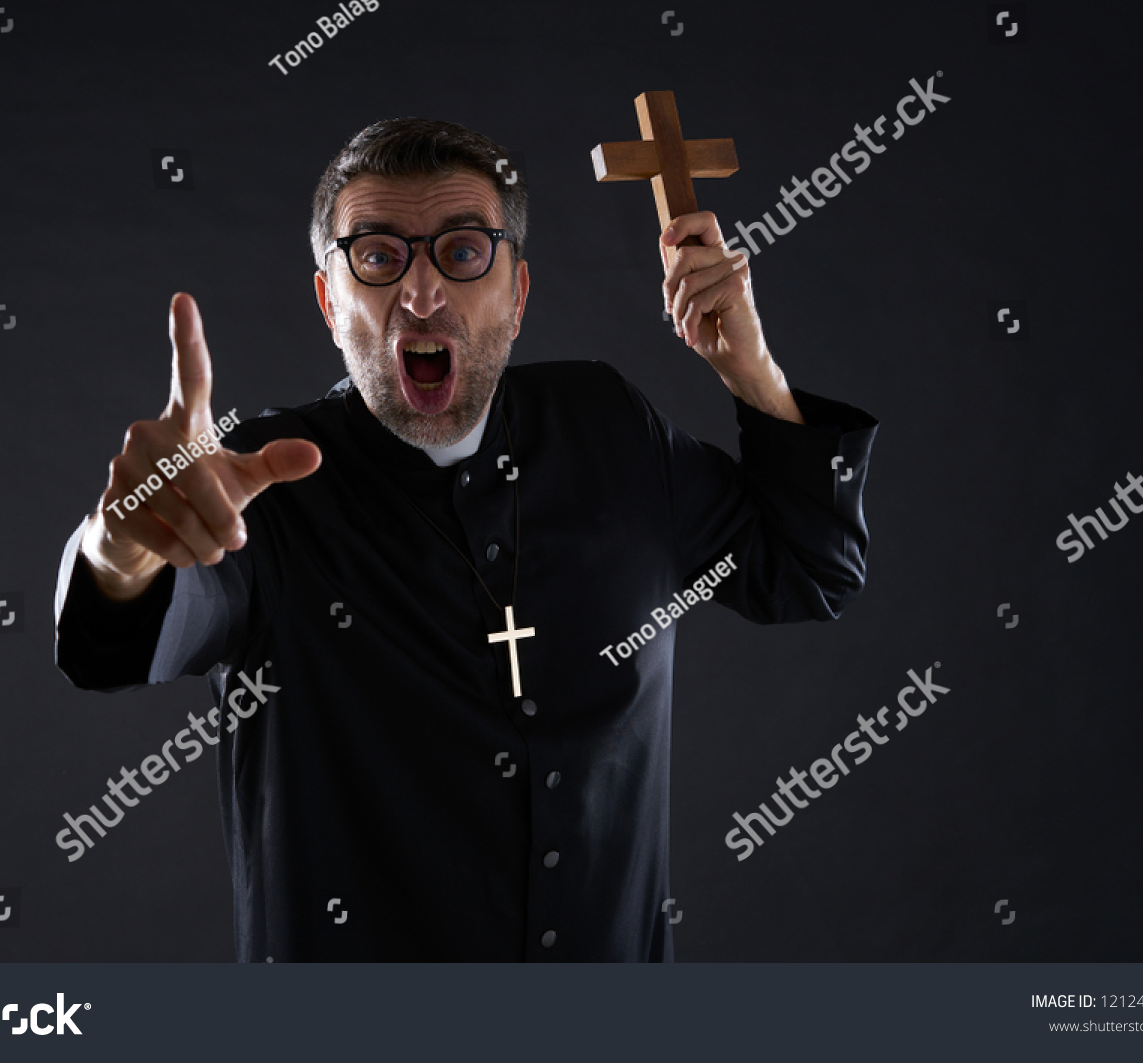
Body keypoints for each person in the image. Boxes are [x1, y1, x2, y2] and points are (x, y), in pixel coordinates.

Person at [53, 117, 879, 961]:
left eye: (462, 250)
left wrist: (754, 375)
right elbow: (111, 647)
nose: (420, 293)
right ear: (330, 302)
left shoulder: (609, 428)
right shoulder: (263, 480)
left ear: (517, 296)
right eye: (377, 256)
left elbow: (810, 568)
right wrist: (122, 548)